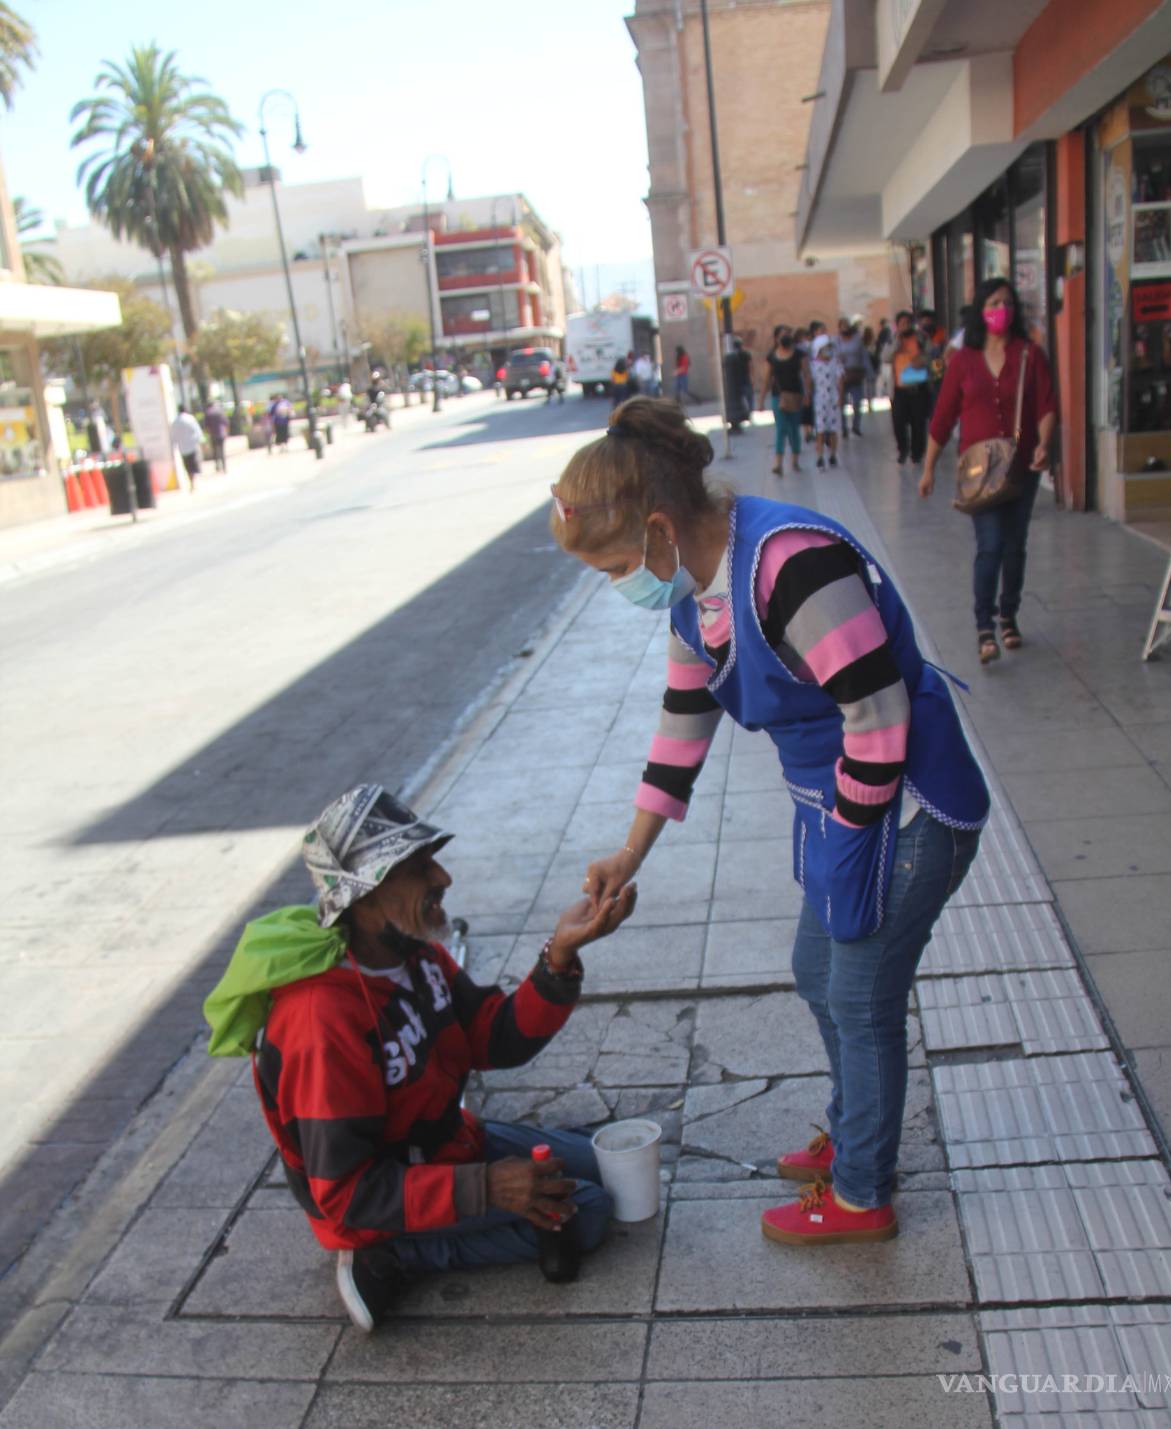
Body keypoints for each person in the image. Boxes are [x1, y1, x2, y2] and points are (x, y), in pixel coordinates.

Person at [548, 398, 987, 1245]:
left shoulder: (790, 564)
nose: (615, 585)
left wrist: (851, 846)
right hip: (848, 806)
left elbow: (881, 717)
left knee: (860, 994)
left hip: (908, 801)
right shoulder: (695, 597)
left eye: (612, 565)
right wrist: (629, 851)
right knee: (816, 969)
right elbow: (684, 723)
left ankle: (862, 1192)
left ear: (660, 527)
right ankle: (853, 1130)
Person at [204, 784, 637, 1333]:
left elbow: (492, 1039)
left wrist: (559, 955)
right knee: (591, 1210)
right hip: (378, 1208)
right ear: (363, 897)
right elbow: (345, 1192)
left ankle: (473, 1192)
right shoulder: (321, 1019)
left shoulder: (416, 952)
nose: (442, 878)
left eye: (431, 858)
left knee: (608, 1163)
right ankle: (390, 1257)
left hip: (444, 1144)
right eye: (415, 867)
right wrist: (487, 1186)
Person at [919, 278, 1058, 665]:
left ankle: (1008, 615)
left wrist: (1044, 444)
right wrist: (928, 469)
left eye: (1008, 302)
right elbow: (943, 417)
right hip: (979, 470)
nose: (1003, 309)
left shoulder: (1029, 354)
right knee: (990, 544)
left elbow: (1046, 404)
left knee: (1015, 545)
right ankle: (984, 625)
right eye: (995, 302)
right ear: (981, 309)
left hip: (1021, 465)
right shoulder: (963, 360)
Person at [759, 327, 806, 476]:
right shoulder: (771, 357)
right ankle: (778, 463)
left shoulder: (799, 355)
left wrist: (808, 394)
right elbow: (766, 380)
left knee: (794, 429)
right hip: (777, 397)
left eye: (787, 335)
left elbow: (807, 375)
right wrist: (761, 400)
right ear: (776, 339)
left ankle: (795, 460)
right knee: (781, 428)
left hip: (796, 396)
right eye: (782, 335)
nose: (785, 338)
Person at [888, 312, 931, 467]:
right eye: (902, 323)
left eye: (907, 322)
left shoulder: (920, 338)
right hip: (899, 388)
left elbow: (930, 356)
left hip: (917, 387)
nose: (905, 326)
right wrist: (896, 344)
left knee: (918, 422)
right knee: (898, 421)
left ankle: (917, 453)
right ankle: (903, 449)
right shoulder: (893, 340)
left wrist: (922, 361)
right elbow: (885, 357)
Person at [809, 334, 844, 469]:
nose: (828, 350)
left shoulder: (835, 363)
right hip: (820, 401)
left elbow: (840, 380)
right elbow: (810, 383)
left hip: (833, 400)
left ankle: (833, 455)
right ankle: (820, 456)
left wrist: (840, 397)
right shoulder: (813, 365)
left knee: (834, 429)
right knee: (821, 429)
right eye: (825, 348)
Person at [835, 319, 873, 438]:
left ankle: (856, 425)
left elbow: (864, 356)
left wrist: (869, 372)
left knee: (857, 401)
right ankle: (843, 427)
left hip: (856, 374)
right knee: (842, 403)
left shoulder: (857, 341)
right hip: (842, 376)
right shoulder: (837, 341)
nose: (844, 328)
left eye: (846, 326)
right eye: (842, 326)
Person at [170, 405, 204, 491]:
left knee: (188, 465)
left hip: (182, 447)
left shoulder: (175, 422)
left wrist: (174, 445)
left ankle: (191, 481)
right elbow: (197, 431)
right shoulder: (190, 419)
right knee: (194, 463)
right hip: (192, 445)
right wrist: (200, 440)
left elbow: (173, 436)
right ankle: (193, 480)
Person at [204, 399, 229, 474]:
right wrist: (226, 431)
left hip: (213, 434)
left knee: (215, 451)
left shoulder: (208, 413)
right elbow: (226, 422)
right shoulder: (219, 411)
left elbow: (206, 426)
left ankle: (217, 466)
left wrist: (208, 434)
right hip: (221, 433)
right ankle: (224, 467)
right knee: (222, 450)